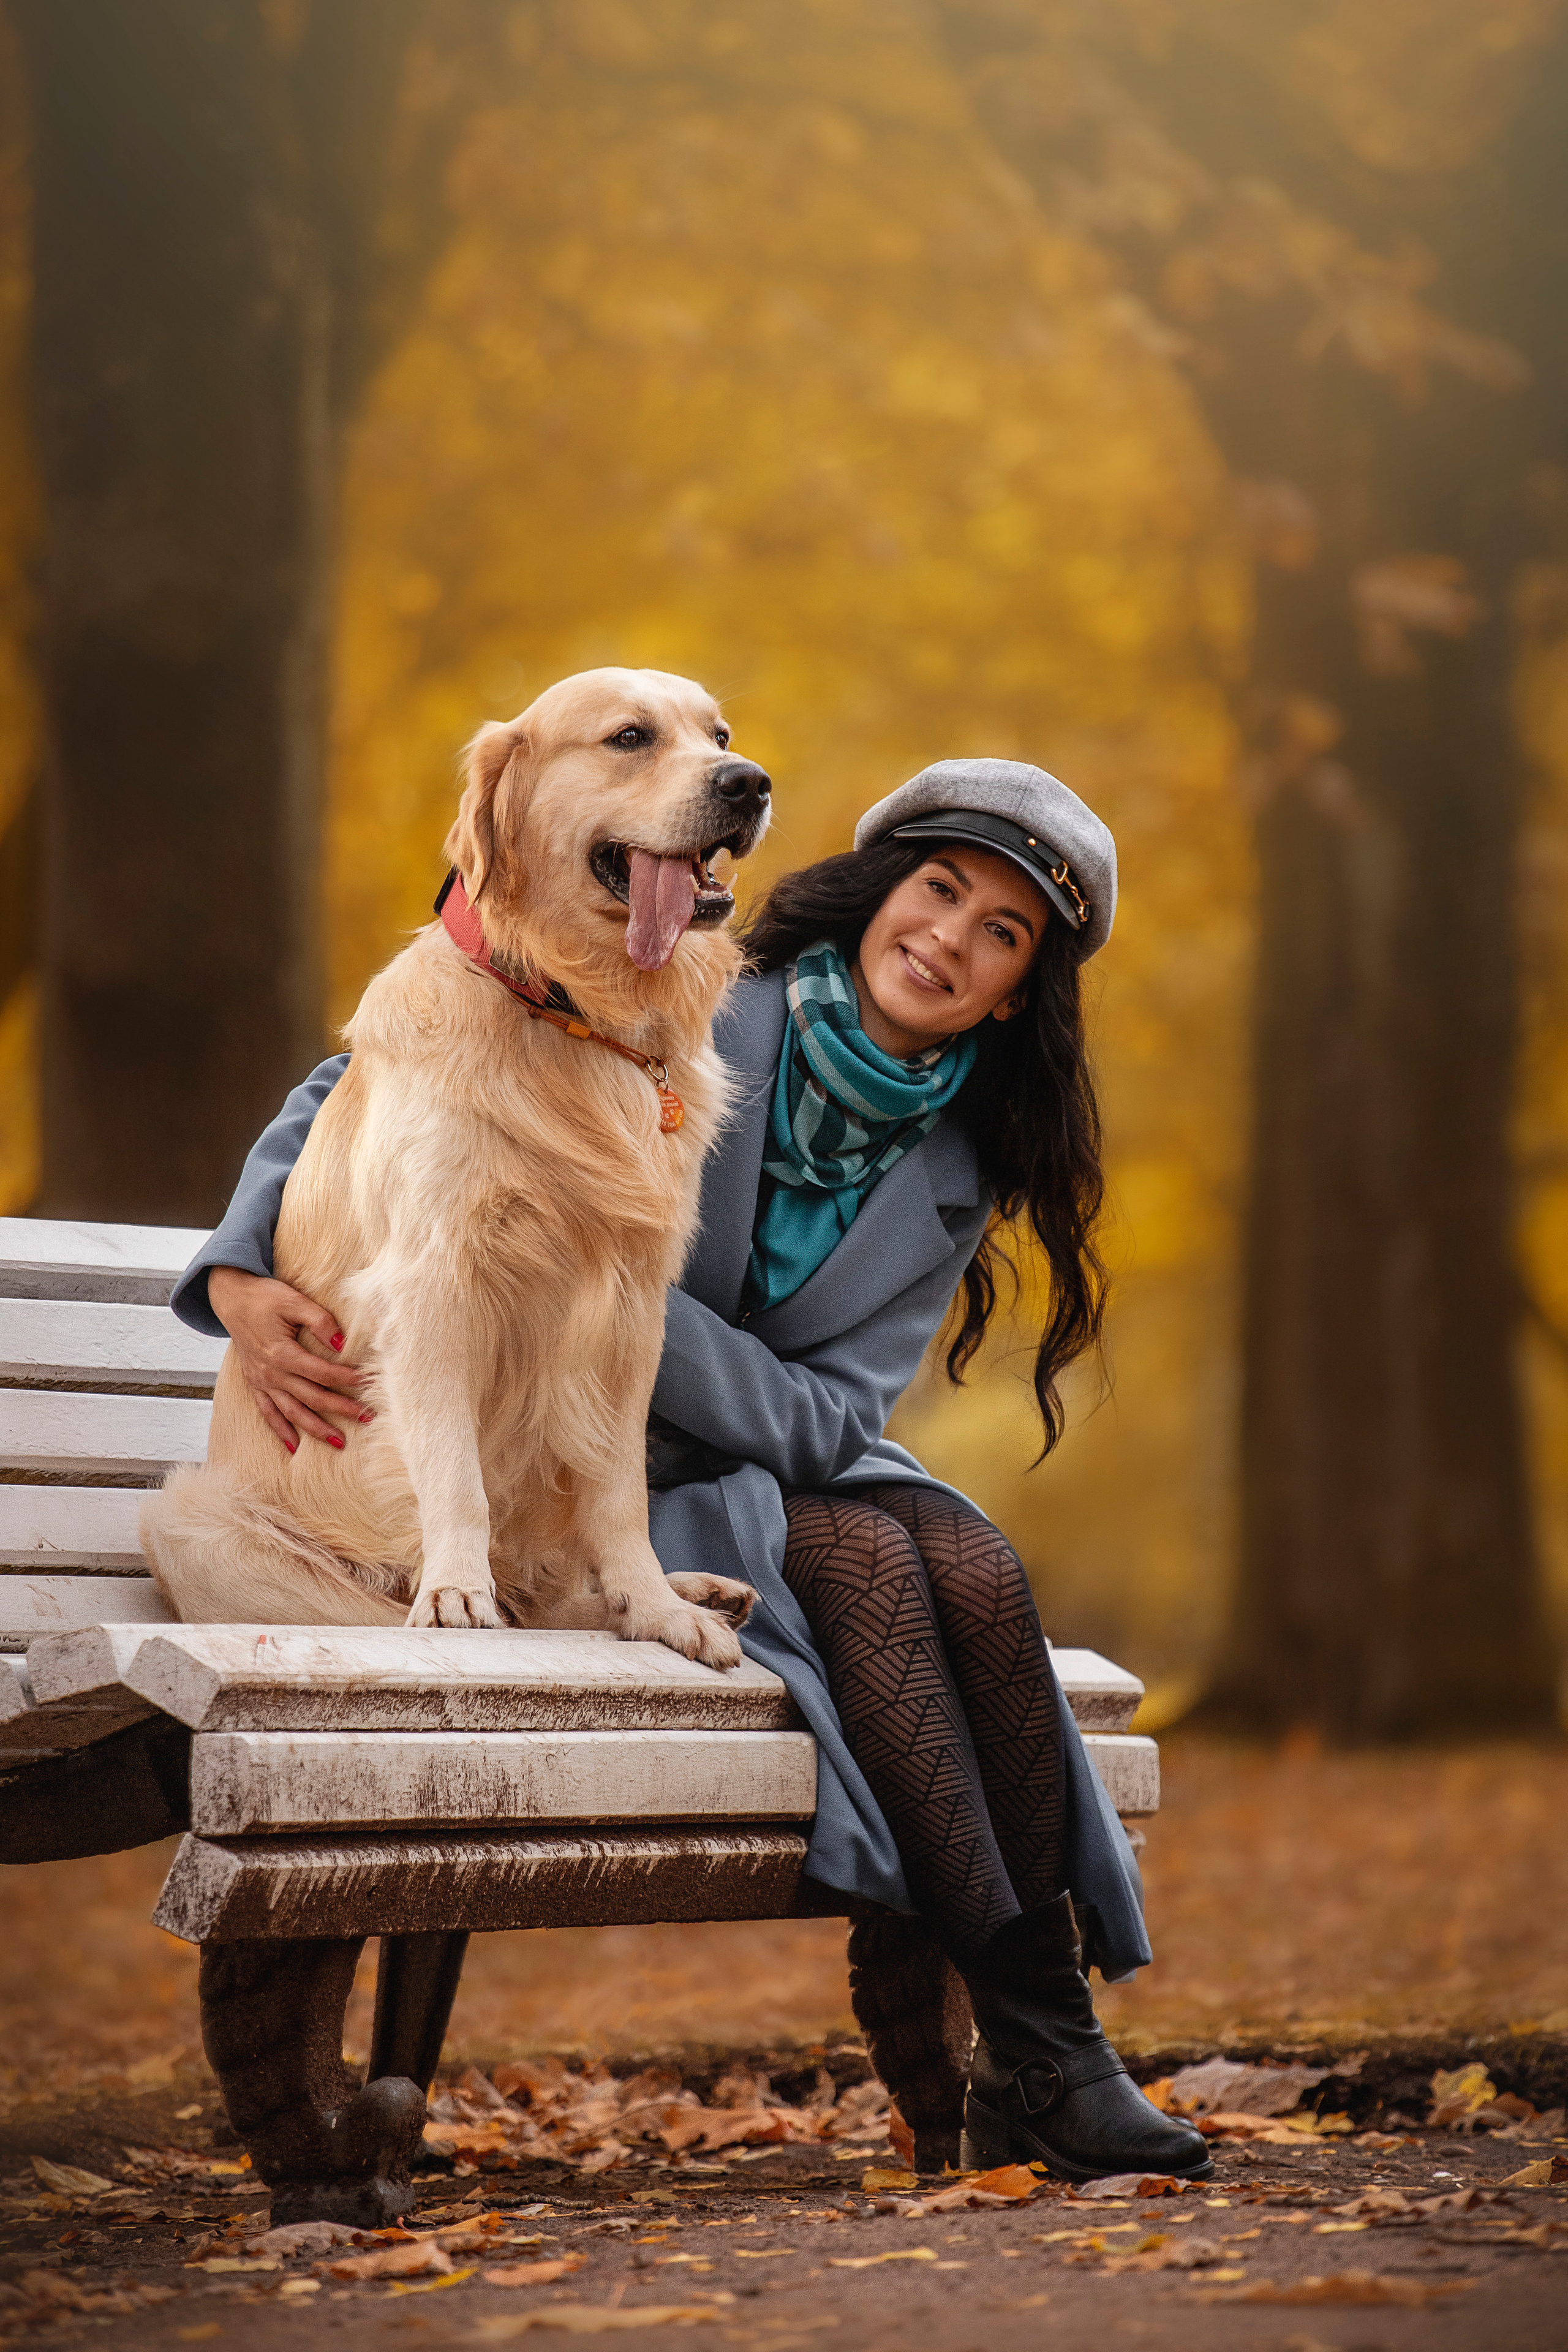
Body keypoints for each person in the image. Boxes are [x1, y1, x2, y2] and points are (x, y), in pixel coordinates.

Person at [170, 756, 1210, 2183]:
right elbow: (375, 1071)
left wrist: (616, 1290)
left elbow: (823, 1423)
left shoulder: (966, 1155)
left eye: (999, 933)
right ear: (873, 900)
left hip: (745, 1467)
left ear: (1015, 990)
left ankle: (1045, 2047)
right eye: (938, 892)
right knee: (873, 1562)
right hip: (571, 1469)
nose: (948, 940)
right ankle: (1055, 2058)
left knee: (963, 1562)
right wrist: (236, 1268)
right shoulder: (696, 995)